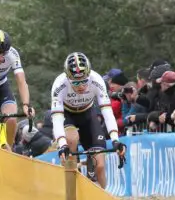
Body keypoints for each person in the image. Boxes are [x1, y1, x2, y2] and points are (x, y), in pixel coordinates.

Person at [51, 52, 125, 189]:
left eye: (84, 81)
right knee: (71, 139)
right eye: (76, 82)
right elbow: (57, 118)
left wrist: (115, 139)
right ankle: (72, 180)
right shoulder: (59, 84)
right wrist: (62, 144)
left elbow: (107, 111)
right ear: (68, 77)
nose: (81, 86)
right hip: (68, 115)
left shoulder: (96, 79)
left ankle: (104, 199)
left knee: (100, 166)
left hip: (88, 114)